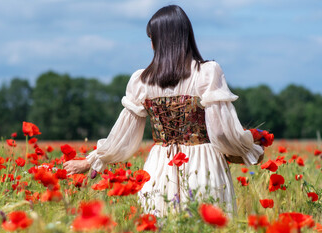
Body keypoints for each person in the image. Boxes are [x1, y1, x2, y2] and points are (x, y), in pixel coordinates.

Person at [63, 5, 264, 217]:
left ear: (161, 41)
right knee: (205, 229)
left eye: (152, 39)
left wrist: (90, 162)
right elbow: (223, 133)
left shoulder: (143, 80)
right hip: (203, 165)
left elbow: (123, 136)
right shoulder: (206, 73)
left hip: (159, 167)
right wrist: (249, 148)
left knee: (158, 227)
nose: (151, 45)